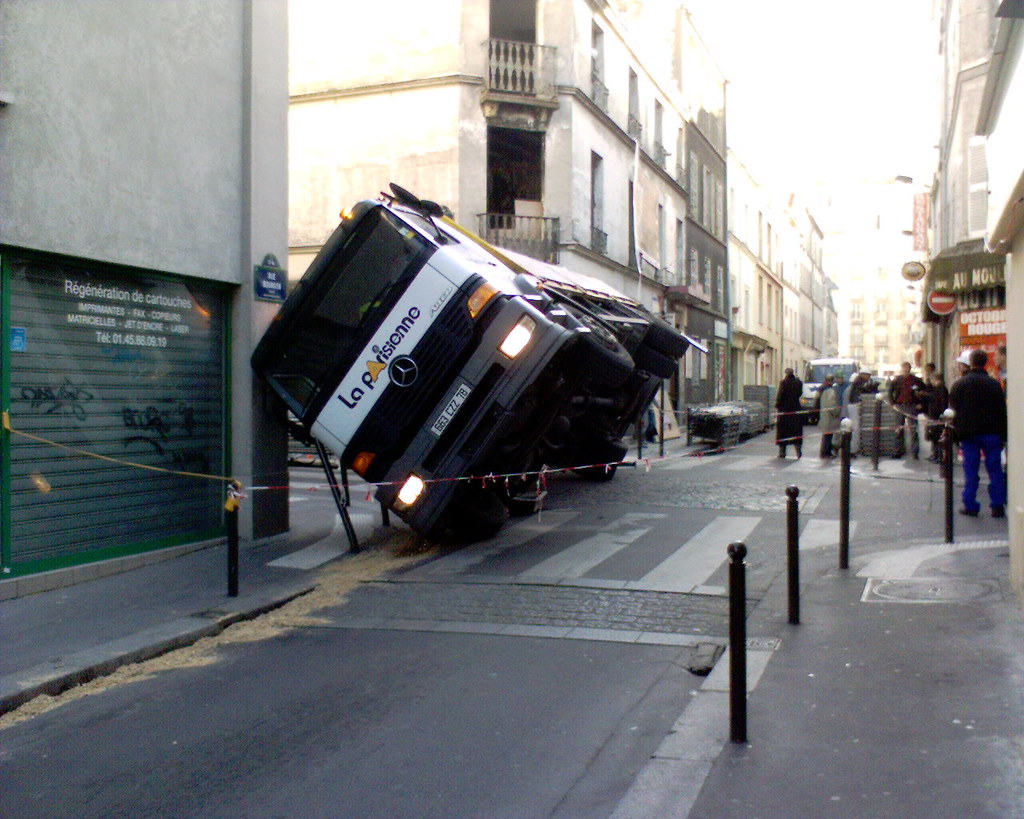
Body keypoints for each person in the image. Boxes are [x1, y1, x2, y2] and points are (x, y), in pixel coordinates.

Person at [948, 349, 1007, 517]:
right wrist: (1003, 435)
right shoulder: (994, 384)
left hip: (969, 434)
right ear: (986, 363)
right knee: (995, 470)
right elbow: (1001, 411)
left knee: (971, 470)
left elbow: (953, 412)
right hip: (992, 433)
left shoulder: (959, 384)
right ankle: (997, 505)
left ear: (970, 363)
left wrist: (957, 434)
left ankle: (970, 504)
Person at [888, 361, 925, 458]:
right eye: (904, 367)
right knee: (898, 429)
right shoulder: (897, 380)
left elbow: (923, 392)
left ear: (910, 368)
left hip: (912, 406)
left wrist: (920, 404)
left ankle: (915, 452)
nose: (905, 369)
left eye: (907, 368)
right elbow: (890, 391)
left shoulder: (916, 380)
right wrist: (893, 403)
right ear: (902, 368)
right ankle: (898, 451)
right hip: (900, 406)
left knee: (913, 429)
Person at [775, 368, 804, 458]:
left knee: (783, 432)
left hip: (785, 410)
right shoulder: (798, 383)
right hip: (795, 409)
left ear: (786, 373)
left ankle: (782, 452)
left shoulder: (783, 383)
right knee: (796, 432)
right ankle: (798, 451)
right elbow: (800, 393)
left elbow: (780, 396)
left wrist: (777, 405)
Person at [923, 372, 949, 463]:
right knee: (933, 436)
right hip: (934, 415)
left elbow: (941, 403)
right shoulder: (937, 389)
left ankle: (939, 456)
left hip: (937, 416)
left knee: (937, 436)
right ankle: (935, 454)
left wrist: (941, 414)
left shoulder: (941, 389)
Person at [845, 370, 872, 455]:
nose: (869, 378)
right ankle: (852, 450)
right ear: (863, 374)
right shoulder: (859, 382)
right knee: (855, 428)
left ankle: (853, 448)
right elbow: (864, 390)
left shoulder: (858, 382)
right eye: (868, 375)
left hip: (854, 405)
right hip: (854, 406)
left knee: (855, 428)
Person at [915, 362, 937, 460]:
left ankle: (936, 454)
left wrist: (924, 395)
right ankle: (934, 453)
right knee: (931, 432)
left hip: (933, 411)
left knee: (934, 433)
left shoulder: (936, 386)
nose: (926, 371)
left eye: (928, 369)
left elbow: (933, 396)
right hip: (929, 409)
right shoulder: (928, 381)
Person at [818, 374, 840, 458]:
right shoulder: (829, 390)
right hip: (829, 415)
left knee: (826, 434)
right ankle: (825, 452)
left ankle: (825, 451)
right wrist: (836, 412)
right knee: (828, 435)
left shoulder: (821, 388)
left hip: (824, 413)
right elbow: (831, 405)